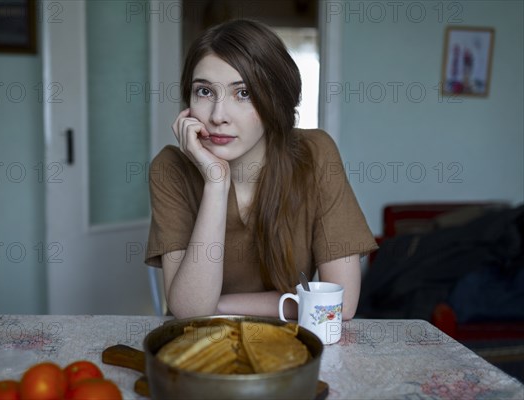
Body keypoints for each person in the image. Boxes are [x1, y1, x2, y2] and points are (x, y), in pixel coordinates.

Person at [145, 19, 377, 320]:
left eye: (243, 93)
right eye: (204, 92)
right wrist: (216, 183)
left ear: (276, 101)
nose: (218, 116)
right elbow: (190, 313)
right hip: (201, 346)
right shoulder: (171, 169)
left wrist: (219, 306)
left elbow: (338, 305)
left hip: (292, 346)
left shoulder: (315, 153)